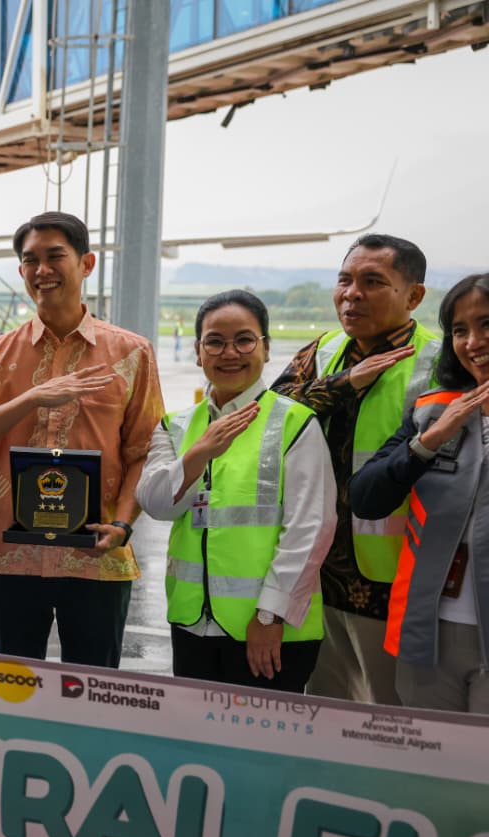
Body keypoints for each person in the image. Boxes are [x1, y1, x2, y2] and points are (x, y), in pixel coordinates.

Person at [0, 211, 165, 667]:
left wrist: (123, 525)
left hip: (97, 558)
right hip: (12, 560)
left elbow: (143, 451)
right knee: (9, 689)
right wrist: (30, 400)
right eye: (30, 261)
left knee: (93, 692)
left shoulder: (131, 353)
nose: (42, 270)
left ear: (86, 264)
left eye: (54, 257)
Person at [271, 233, 438, 705]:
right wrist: (342, 385)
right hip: (315, 572)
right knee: (325, 708)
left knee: (391, 713)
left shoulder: (437, 362)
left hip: (391, 581)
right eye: (344, 280)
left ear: (415, 296)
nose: (352, 294)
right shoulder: (323, 352)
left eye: (372, 281)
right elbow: (268, 419)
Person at [136, 291, 334, 691]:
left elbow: (310, 529)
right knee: (197, 744)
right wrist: (199, 453)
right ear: (198, 351)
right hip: (193, 623)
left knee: (261, 747)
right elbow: (156, 504)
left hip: (266, 630)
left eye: (244, 340)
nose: (230, 353)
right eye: (215, 341)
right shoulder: (175, 425)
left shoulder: (296, 423)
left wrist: (269, 617)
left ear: (265, 348)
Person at [349, 274, 489, 714]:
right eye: (460, 331)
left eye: (486, 324)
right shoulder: (433, 408)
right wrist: (427, 442)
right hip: (430, 634)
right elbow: (366, 498)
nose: (472, 342)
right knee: (428, 773)